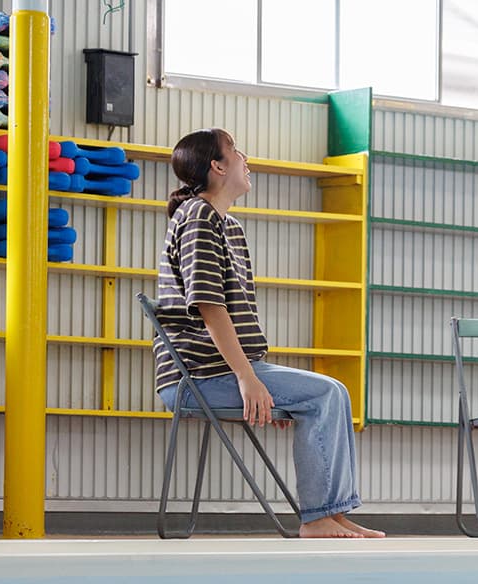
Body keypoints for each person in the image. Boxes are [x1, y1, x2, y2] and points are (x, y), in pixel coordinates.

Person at [153, 127, 384, 539]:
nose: (246, 160)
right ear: (217, 166)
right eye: (236, 152)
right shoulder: (199, 217)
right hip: (199, 377)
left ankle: (333, 513)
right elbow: (209, 307)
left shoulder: (228, 225)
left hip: (225, 370)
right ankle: (317, 518)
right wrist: (249, 380)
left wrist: (266, 383)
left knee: (333, 391)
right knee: (325, 394)